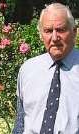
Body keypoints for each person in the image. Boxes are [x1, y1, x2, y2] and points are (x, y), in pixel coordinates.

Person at [13, 3, 79, 134]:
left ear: (74, 32)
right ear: (41, 34)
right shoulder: (28, 69)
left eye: (60, 30)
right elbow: (20, 121)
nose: (54, 38)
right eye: (48, 31)